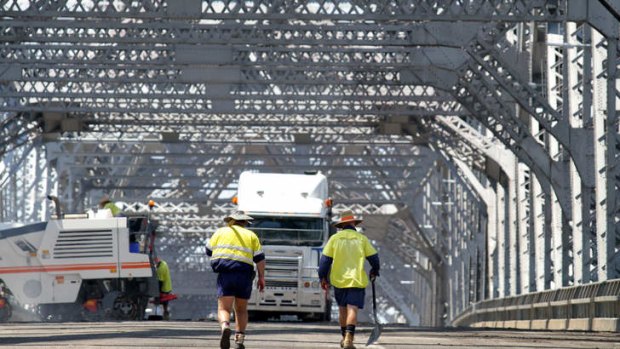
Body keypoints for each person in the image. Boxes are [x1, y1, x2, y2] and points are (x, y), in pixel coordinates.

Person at [318, 210, 380, 349]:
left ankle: (343, 337)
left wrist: (322, 277)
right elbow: (374, 258)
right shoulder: (361, 239)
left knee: (342, 310)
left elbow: (325, 261)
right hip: (356, 280)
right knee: (352, 309)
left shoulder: (335, 239)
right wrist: (375, 270)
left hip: (339, 279)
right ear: (353, 223)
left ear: (342, 225)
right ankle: (349, 339)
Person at [206, 211, 265, 349]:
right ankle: (239, 340)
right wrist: (262, 277)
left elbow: (208, 251)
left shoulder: (220, 232)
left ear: (230, 221)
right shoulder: (251, 235)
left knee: (224, 308)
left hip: (226, 274)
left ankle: (225, 326)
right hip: (244, 276)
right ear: (245, 222)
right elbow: (260, 259)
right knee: (241, 309)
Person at [155, 256, 173, 320]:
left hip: (164, 287)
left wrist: (158, 293)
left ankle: (165, 314)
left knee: (163, 300)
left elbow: (160, 282)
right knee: (165, 302)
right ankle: (166, 314)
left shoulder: (160, 269)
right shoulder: (164, 263)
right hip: (168, 285)